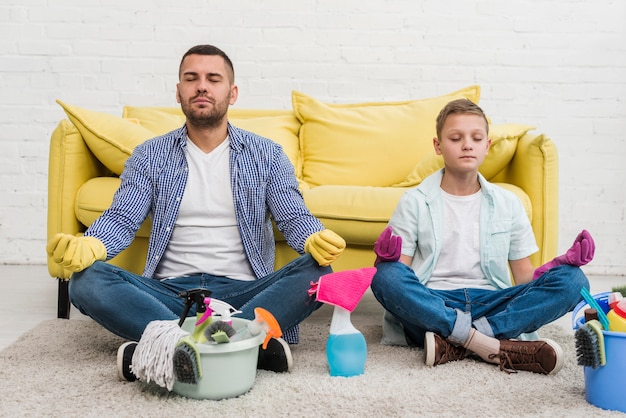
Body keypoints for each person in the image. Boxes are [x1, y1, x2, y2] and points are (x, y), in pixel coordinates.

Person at [46, 44, 346, 379]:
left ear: (231, 93)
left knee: (321, 273)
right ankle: (242, 344)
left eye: (213, 78)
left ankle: (164, 346)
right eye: (192, 78)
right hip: (171, 294)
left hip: (244, 291)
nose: (201, 86)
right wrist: (92, 244)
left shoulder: (268, 155)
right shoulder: (149, 155)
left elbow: (293, 215)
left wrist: (313, 237)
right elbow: (121, 217)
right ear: (179, 92)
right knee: (86, 281)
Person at [370, 98, 594, 375]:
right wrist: (386, 262)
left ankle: (459, 341)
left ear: (487, 146)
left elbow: (523, 278)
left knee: (574, 280)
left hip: (493, 304)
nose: (467, 145)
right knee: (384, 276)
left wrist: (556, 268)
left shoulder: (508, 203)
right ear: (438, 146)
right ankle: (492, 344)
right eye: (455, 138)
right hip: (436, 302)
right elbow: (399, 274)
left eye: (476, 138)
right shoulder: (414, 201)